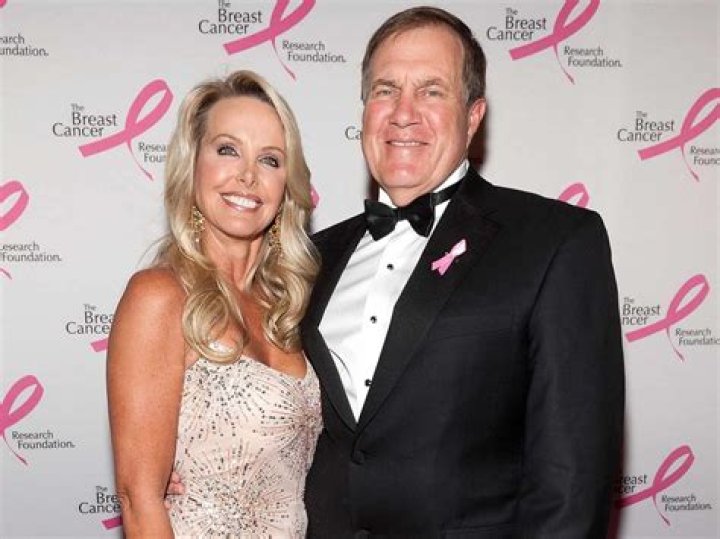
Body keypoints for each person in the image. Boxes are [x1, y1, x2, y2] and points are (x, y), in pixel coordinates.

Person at [299, 6, 625, 537]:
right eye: (385, 90)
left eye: (431, 91)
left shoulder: (554, 242)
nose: (403, 113)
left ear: (473, 116)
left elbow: (572, 483)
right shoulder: (312, 257)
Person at [107, 70, 322, 538]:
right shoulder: (159, 296)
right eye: (227, 150)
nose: (248, 175)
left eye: (269, 159)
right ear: (193, 165)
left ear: (286, 185)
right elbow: (139, 499)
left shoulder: (291, 307)